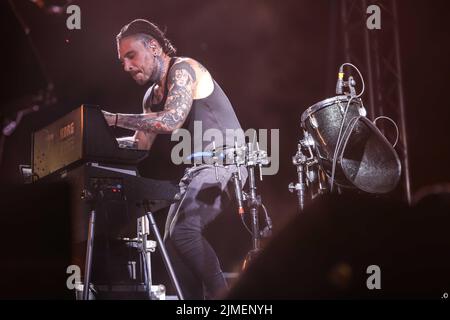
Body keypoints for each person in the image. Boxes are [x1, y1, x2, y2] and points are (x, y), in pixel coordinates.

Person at [102, 19, 247, 299]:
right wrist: (95, 141)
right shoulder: (151, 97)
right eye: (122, 61)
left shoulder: (185, 69)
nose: (127, 66)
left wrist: (116, 119)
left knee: (183, 233)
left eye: (131, 55)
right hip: (198, 169)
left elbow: (171, 120)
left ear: (154, 47)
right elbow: (140, 145)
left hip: (226, 161)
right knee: (173, 242)